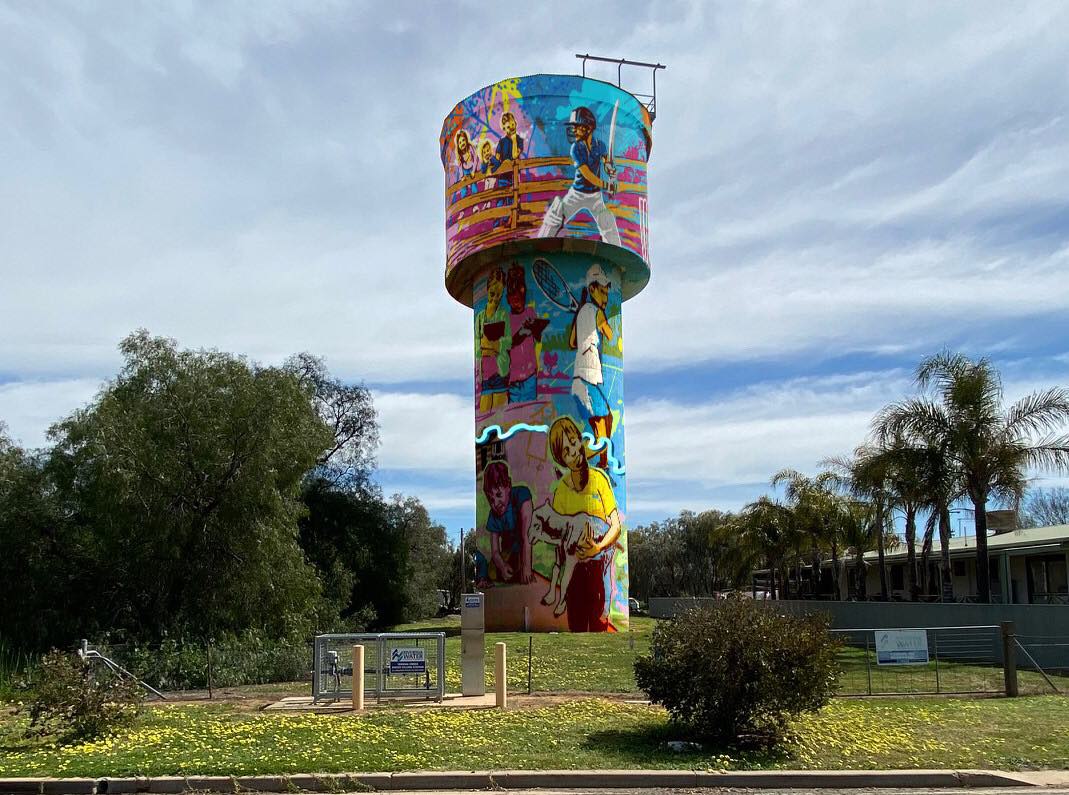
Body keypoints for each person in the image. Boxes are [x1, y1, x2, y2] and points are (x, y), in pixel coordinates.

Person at [546, 415, 621, 631]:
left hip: (600, 565)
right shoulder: (561, 490)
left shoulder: (599, 479)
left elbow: (615, 525)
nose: (574, 453)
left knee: (599, 621)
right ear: (561, 459)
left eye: (573, 443)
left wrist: (598, 547)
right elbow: (559, 534)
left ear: (580, 440)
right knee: (576, 623)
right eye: (566, 452)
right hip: (574, 569)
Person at [536, 105, 621, 245]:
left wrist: (610, 169)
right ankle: (540, 242)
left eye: (577, 126)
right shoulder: (576, 148)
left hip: (595, 196)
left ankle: (617, 251)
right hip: (577, 193)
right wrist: (607, 185)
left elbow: (606, 161)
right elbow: (587, 174)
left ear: (588, 127)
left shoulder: (600, 145)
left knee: (606, 220)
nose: (574, 130)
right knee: (557, 212)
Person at [570, 263, 615, 468]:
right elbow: (609, 333)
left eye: (607, 292)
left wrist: (580, 314)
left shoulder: (581, 313)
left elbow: (572, 342)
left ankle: (598, 462)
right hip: (589, 377)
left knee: (604, 421)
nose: (605, 298)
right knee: (602, 422)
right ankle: (596, 464)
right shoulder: (596, 312)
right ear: (592, 289)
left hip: (580, 379)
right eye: (602, 292)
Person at [481, 460, 533, 584]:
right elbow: (495, 551)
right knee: (492, 571)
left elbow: (527, 536)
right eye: (491, 499)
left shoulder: (521, 495)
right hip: (509, 552)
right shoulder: (493, 515)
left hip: (524, 547)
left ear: (508, 486)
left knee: (523, 573)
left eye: (499, 495)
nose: (495, 504)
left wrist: (527, 567)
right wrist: (502, 566)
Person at [505, 263, 545, 403]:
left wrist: (534, 328)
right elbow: (509, 343)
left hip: (529, 377)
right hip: (514, 380)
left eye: (521, 299)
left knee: (529, 414)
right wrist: (522, 332)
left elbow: (538, 337)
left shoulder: (530, 313)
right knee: (514, 417)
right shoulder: (508, 320)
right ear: (509, 300)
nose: (518, 303)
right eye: (515, 301)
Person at [474, 268, 510, 412]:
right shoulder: (480, 317)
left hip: (500, 370)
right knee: (485, 410)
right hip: (485, 373)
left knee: (500, 411)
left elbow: (508, 341)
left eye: (498, 295)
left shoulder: (503, 314)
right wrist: (488, 347)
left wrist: (496, 345)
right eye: (492, 294)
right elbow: (477, 349)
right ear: (487, 289)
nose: (495, 298)